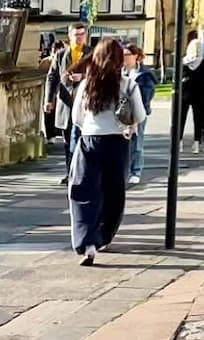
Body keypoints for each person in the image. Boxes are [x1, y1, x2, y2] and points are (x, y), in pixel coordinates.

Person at [68, 36, 145, 266]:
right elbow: (140, 115)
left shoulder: (86, 85)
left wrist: (91, 127)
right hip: (117, 142)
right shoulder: (128, 84)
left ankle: (87, 243)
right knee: (113, 193)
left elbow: (76, 118)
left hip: (90, 140)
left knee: (83, 191)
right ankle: (103, 235)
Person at [45, 23, 89, 183]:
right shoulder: (61, 54)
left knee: (83, 140)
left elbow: (99, 75)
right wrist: (48, 100)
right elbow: (52, 77)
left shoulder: (91, 53)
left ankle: (83, 173)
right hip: (66, 105)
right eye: (76, 35)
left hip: (85, 105)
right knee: (68, 142)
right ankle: (70, 172)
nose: (79, 38)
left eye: (82, 34)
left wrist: (83, 77)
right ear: (70, 36)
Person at [122, 44, 156, 185]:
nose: (124, 58)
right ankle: (124, 170)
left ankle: (136, 171)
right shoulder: (120, 72)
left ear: (136, 56)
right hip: (121, 113)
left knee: (136, 142)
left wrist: (135, 119)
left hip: (138, 112)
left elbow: (145, 98)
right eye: (123, 55)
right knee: (122, 143)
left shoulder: (144, 75)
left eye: (127, 55)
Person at [181, 37, 204, 153]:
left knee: (181, 118)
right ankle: (196, 144)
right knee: (198, 119)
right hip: (200, 93)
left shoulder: (183, 62)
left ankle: (179, 142)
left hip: (185, 93)